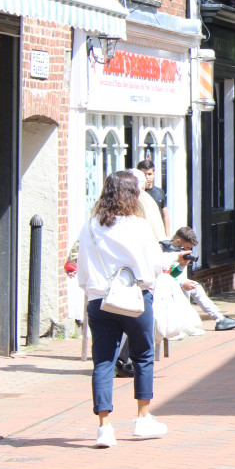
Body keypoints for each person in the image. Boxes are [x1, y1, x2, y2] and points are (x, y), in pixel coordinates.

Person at [77, 170, 169, 448]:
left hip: (99, 300)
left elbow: (82, 267)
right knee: (142, 355)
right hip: (136, 298)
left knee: (103, 360)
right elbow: (154, 264)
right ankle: (143, 418)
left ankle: (104, 427)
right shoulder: (138, 225)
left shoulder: (90, 225)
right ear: (133, 195)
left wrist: (93, 289)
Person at [167, 227, 235, 332]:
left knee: (194, 286)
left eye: (190, 249)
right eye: (186, 248)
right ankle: (184, 325)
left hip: (170, 284)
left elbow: (172, 273)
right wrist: (181, 283)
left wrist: (181, 266)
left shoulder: (176, 251)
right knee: (187, 286)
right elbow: (163, 276)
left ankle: (219, 319)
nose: (188, 251)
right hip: (161, 289)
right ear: (178, 241)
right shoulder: (166, 251)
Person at [137, 160, 170, 237]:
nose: (147, 177)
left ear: (154, 174)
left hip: (157, 232)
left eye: (149, 174)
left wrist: (167, 236)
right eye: (144, 174)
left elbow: (165, 214)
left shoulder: (159, 192)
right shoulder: (136, 193)